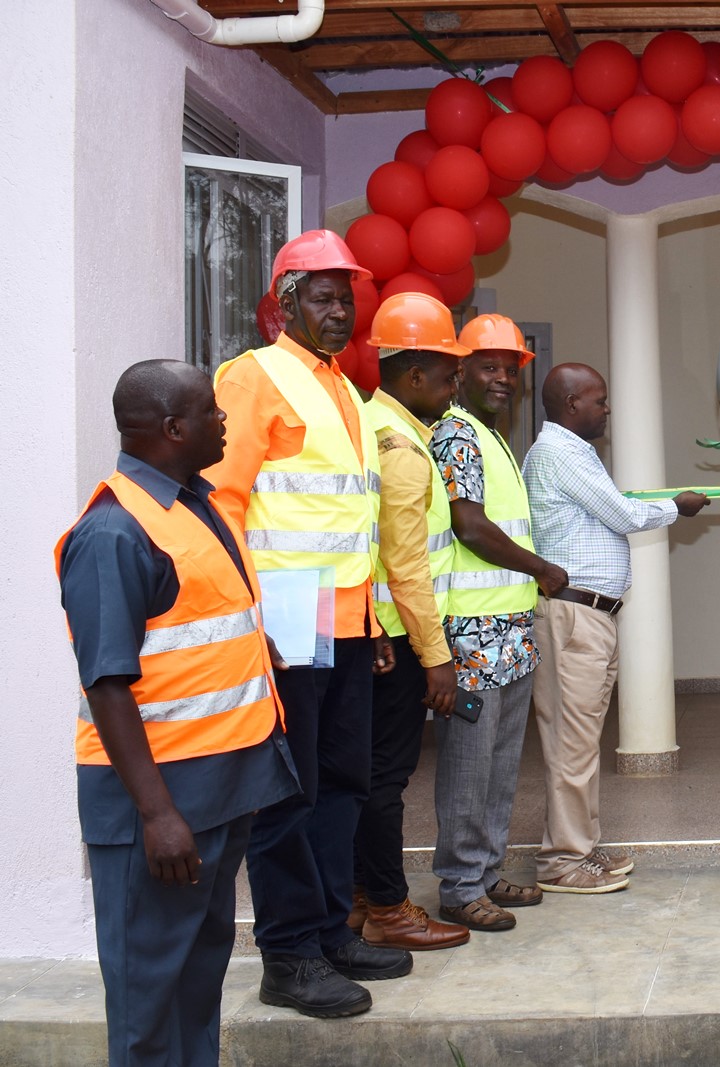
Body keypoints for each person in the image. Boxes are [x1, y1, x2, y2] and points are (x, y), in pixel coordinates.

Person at [57, 360, 301, 1065]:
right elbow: (107, 683)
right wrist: (159, 815)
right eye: (211, 412)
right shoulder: (113, 533)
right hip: (160, 808)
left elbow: (194, 624)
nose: (225, 420)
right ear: (172, 429)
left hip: (221, 791)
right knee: (148, 1003)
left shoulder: (193, 502)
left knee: (197, 984)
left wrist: (258, 649)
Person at [205, 230, 409, 1017]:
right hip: (285, 628)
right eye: (322, 296)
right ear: (283, 304)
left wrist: (377, 618)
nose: (339, 310)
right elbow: (223, 505)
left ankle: (329, 929)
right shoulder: (253, 379)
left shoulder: (342, 388)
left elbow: (353, 517)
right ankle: (287, 952)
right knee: (288, 792)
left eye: (346, 296)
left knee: (342, 783)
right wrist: (246, 620)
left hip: (347, 624)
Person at [522, 363, 709, 893]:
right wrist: (679, 507)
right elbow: (623, 515)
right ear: (571, 404)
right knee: (572, 741)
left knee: (579, 740)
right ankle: (563, 861)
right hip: (574, 616)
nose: (607, 409)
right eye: (599, 400)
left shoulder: (574, 454)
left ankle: (579, 844)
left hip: (590, 616)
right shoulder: (559, 453)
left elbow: (616, 510)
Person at [429, 314, 567, 930]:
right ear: (459, 371)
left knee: (503, 765)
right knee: (468, 766)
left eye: (512, 369)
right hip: (470, 636)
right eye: (490, 366)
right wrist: (541, 568)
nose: (504, 379)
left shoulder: (493, 436)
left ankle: (485, 873)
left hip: (508, 631)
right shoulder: (456, 434)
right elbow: (470, 526)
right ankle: (460, 886)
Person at [350, 293, 473, 952]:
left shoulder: (367, 425)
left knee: (361, 775)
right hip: (395, 638)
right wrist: (436, 654)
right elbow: (406, 563)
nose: (455, 389)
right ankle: (391, 908)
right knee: (384, 780)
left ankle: (361, 896)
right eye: (450, 375)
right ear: (416, 372)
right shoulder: (401, 447)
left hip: (368, 632)